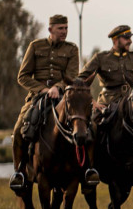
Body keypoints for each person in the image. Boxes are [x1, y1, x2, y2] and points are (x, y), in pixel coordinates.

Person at [9, 15, 83, 190]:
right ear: (50, 29)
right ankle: (19, 172)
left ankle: (86, 170)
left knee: (87, 126)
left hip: (63, 96)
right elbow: (23, 76)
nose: (64, 32)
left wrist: (58, 87)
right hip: (37, 97)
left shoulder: (72, 49)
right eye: (60, 28)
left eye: (66, 28)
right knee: (19, 129)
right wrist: (42, 90)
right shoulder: (35, 46)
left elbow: (72, 76)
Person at [79, 24, 133, 187]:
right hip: (108, 102)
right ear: (116, 40)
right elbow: (81, 80)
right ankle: (91, 170)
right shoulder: (101, 57)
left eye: (130, 38)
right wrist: (91, 101)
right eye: (126, 38)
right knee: (92, 128)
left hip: (132, 103)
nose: (130, 41)